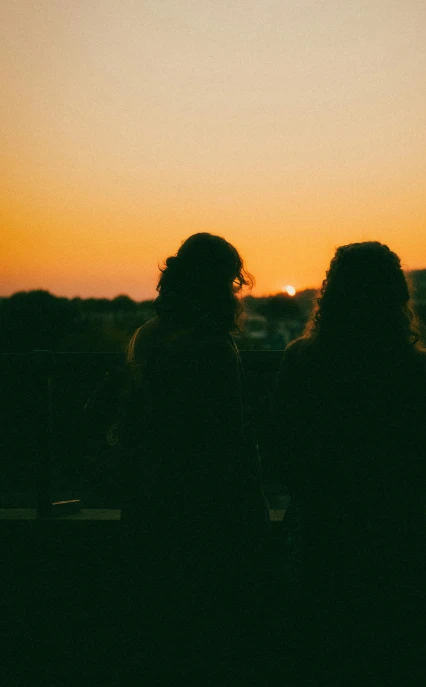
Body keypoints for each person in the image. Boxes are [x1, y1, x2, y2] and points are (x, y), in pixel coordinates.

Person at [270, 242, 426, 685]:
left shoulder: (300, 360)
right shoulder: (413, 368)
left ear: (331, 292)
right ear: (395, 295)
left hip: (322, 535)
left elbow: (281, 452)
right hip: (396, 534)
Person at [120, 233, 269, 683]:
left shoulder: (146, 337)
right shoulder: (211, 348)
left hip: (150, 507)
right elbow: (227, 444)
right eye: (230, 284)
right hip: (208, 518)